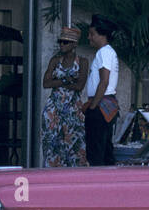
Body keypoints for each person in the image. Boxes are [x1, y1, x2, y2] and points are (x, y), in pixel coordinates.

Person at [42, 26, 89, 167]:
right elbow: (45, 83)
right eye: (60, 41)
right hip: (54, 108)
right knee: (52, 144)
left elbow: (80, 85)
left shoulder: (82, 62)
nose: (62, 44)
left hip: (73, 108)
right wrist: (65, 81)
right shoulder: (55, 60)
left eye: (65, 42)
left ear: (74, 44)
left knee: (75, 144)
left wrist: (59, 83)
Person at [81, 15, 120, 167]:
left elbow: (104, 82)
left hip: (100, 105)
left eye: (92, 34)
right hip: (105, 104)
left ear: (102, 35)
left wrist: (92, 106)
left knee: (96, 151)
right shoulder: (107, 52)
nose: (89, 37)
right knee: (104, 149)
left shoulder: (104, 52)